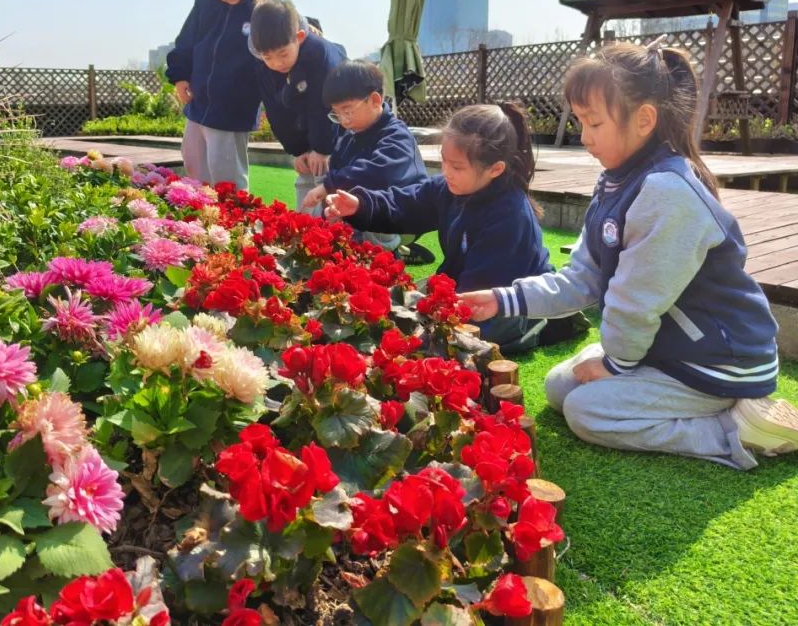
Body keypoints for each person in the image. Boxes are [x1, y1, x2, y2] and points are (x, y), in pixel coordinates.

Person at [460, 41, 798, 468]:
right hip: (668, 347)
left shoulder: (667, 193)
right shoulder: (615, 182)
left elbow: (636, 301)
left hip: (717, 363)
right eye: (580, 121)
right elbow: (582, 278)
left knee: (586, 412)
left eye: (594, 123)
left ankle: (735, 429)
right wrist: (502, 299)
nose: (584, 138)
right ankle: (647, 379)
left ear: (644, 120)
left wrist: (617, 365)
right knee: (559, 387)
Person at [324, 102, 585, 353]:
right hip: (464, 283)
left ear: (495, 169)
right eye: (444, 161)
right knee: (397, 301)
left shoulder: (510, 215)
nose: (446, 171)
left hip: (506, 301)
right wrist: (361, 205)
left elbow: (480, 294)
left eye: (457, 166)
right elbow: (407, 203)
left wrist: (437, 314)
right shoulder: (449, 187)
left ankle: (552, 324)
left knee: (449, 336)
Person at [165, 0, 272, 191]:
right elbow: (187, 39)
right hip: (199, 103)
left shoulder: (265, 7)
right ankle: (200, 218)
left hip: (232, 110)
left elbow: (291, 33)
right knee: (193, 168)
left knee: (227, 183)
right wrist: (180, 76)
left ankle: (236, 219)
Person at [300, 59, 428, 251]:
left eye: (347, 111)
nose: (343, 120)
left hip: (404, 214)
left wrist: (329, 186)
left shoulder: (397, 135)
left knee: (364, 232)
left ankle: (388, 252)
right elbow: (338, 170)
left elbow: (379, 173)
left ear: (375, 101)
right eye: (336, 114)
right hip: (363, 206)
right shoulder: (351, 136)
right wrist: (332, 206)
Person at [248, 0, 346, 214]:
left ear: (299, 37)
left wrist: (322, 149)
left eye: (283, 54)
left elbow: (324, 106)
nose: (277, 63)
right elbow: (275, 110)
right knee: (305, 175)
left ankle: (331, 229)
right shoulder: (262, 63)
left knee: (327, 177)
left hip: (338, 127)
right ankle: (304, 225)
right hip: (305, 126)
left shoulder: (320, 53)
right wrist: (298, 150)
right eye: (268, 57)